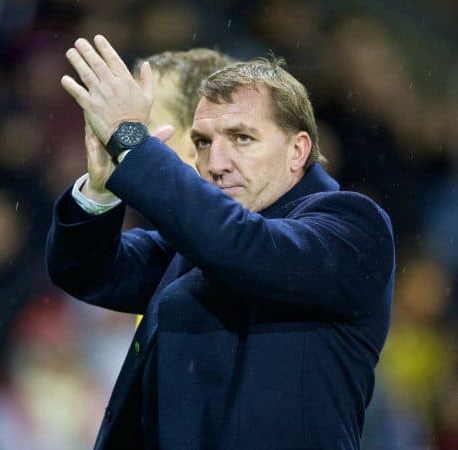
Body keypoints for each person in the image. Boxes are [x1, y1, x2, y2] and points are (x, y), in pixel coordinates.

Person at [47, 35, 395, 450]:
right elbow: (88, 272)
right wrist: (102, 191)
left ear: (298, 150)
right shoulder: (195, 245)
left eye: (242, 138)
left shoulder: (353, 226)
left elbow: (244, 247)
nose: (216, 164)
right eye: (203, 143)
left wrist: (132, 145)